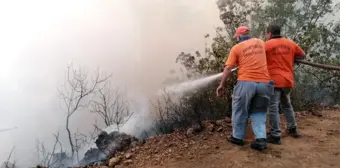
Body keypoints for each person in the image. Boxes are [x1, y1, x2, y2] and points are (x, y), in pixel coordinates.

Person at [216, 26, 274, 151]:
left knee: (239, 109)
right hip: (264, 83)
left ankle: (237, 137)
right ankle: (261, 139)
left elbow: (228, 68)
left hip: (246, 82)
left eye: (236, 36)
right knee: (259, 111)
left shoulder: (236, 48)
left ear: (238, 36)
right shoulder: (260, 42)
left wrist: (222, 84)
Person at [265, 24, 306, 145]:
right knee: (287, 105)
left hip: (274, 81)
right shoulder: (290, 43)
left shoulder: (266, 45)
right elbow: (302, 55)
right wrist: (291, 58)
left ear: (270, 33)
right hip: (287, 81)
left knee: (272, 108)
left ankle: (275, 135)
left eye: (266, 34)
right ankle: (292, 128)